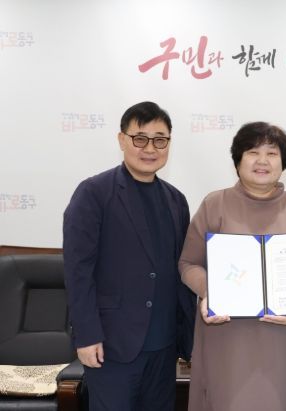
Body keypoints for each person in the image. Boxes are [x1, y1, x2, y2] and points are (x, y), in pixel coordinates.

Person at [63, 101, 196, 411]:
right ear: (122, 140)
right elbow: (78, 272)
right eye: (140, 138)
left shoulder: (176, 200)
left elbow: (180, 271)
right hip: (111, 346)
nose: (150, 148)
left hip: (164, 347)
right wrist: (86, 336)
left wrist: (188, 336)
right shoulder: (93, 193)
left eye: (160, 140)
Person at [178, 122, 286, 411]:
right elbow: (189, 263)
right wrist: (210, 292)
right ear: (237, 161)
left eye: (272, 153)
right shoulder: (214, 204)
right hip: (227, 336)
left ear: (284, 163)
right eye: (253, 152)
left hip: (285, 338)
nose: (262, 161)